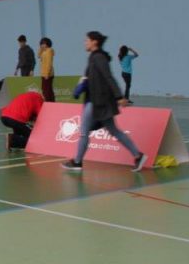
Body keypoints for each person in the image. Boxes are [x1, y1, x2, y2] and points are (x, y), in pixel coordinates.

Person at [62, 31, 147, 172]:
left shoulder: (99, 58)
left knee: (84, 132)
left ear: (94, 42)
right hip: (99, 102)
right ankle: (138, 155)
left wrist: (119, 97)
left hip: (97, 102)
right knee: (114, 131)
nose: (85, 42)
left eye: (87, 40)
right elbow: (89, 79)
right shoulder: (93, 57)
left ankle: (77, 162)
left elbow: (108, 77)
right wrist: (81, 87)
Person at [39, 37, 55, 102]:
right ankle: (51, 102)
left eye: (44, 43)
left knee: (47, 90)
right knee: (46, 89)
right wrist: (41, 49)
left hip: (48, 74)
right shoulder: (44, 51)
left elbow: (49, 63)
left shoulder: (49, 51)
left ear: (47, 44)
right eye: (41, 44)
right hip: (43, 73)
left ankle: (48, 102)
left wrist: (47, 73)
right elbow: (38, 56)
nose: (42, 45)